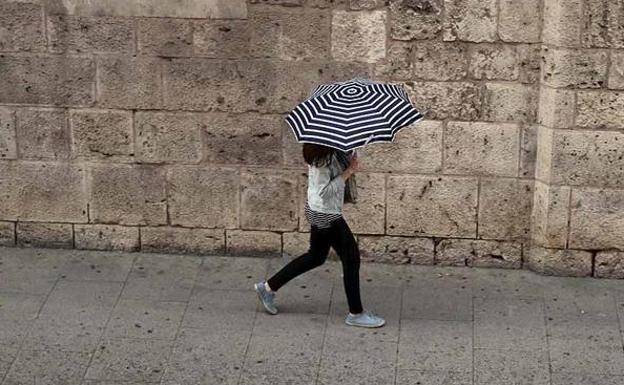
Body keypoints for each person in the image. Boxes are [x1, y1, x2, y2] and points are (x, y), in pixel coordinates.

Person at [254, 143, 385, 328]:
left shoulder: (325, 148)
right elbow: (324, 192)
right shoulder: (323, 158)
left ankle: (267, 288)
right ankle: (356, 313)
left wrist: (351, 155)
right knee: (352, 258)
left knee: (315, 257)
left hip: (317, 210)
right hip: (326, 213)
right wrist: (349, 171)